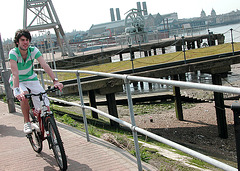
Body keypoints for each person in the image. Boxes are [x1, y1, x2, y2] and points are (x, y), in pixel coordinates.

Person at [9, 29, 63, 134]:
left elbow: (44, 65)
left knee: (44, 101)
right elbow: (15, 73)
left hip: (31, 79)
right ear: (17, 42)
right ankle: (27, 122)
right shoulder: (13, 53)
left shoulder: (33, 50)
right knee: (24, 96)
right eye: (22, 40)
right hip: (18, 81)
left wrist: (55, 80)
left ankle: (47, 125)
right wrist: (16, 90)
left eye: (27, 40)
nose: (25, 42)